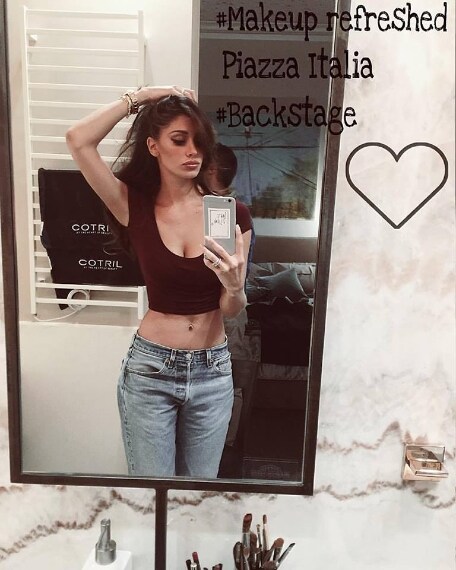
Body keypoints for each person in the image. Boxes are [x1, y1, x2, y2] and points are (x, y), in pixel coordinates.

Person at [66, 86, 252, 478]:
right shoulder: (132, 205)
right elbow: (78, 140)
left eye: (198, 142)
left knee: (196, 496)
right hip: (151, 369)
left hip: (213, 372)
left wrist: (235, 287)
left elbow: (230, 309)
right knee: (153, 494)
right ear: (153, 146)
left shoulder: (232, 214)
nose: (192, 152)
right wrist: (145, 96)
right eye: (179, 140)